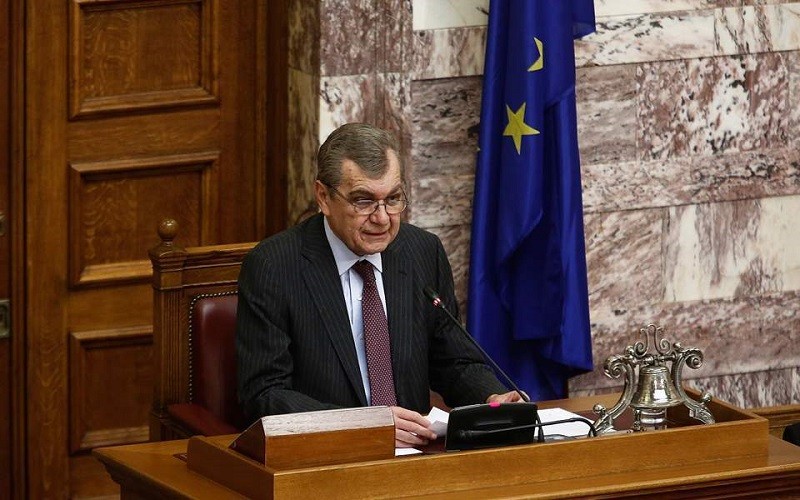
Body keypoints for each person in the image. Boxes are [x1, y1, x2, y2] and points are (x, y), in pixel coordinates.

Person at [236, 123, 522, 447]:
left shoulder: (422, 252)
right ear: (323, 197)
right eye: (363, 201)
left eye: (393, 199)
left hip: (414, 453)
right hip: (329, 457)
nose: (382, 218)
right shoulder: (275, 266)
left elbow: (453, 361)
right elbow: (264, 394)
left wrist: (491, 397)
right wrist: (367, 426)